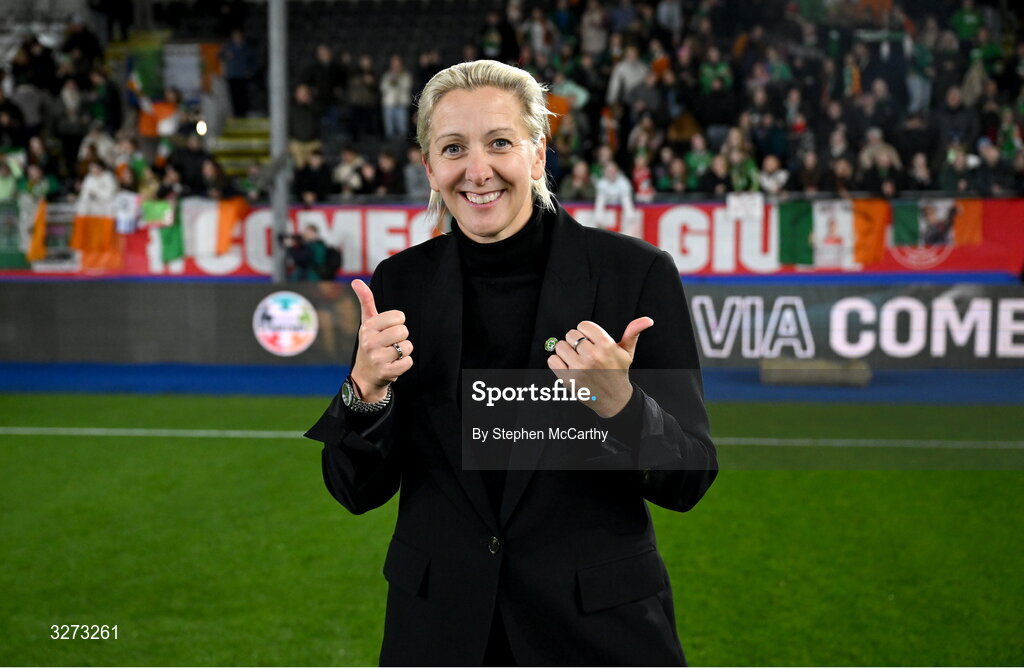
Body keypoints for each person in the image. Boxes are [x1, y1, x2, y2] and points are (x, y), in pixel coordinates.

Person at [305, 59, 716, 666]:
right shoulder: (401, 284)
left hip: (597, 636)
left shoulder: (635, 276)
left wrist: (622, 408)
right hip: (440, 634)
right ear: (429, 167)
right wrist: (365, 394)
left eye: (499, 142)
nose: (478, 171)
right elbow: (355, 490)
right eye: (453, 148)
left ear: (537, 152)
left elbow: (689, 478)